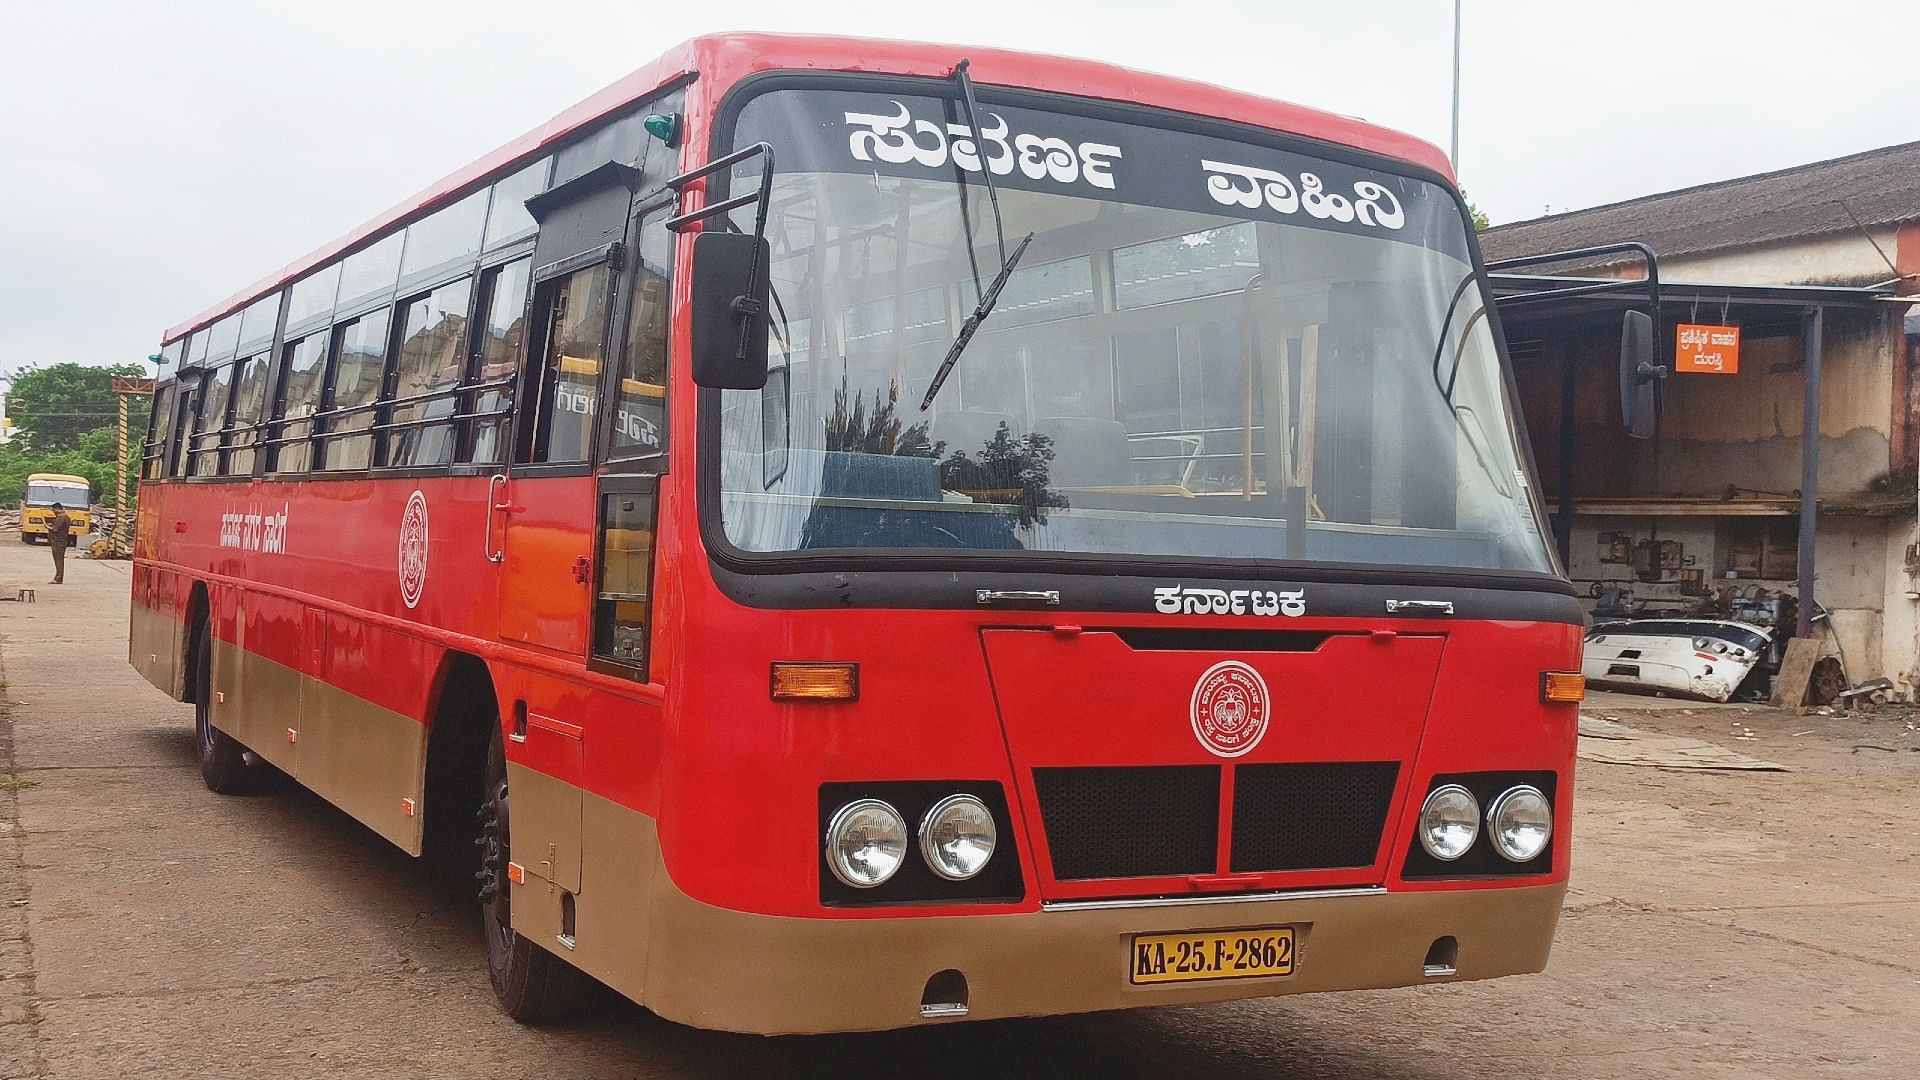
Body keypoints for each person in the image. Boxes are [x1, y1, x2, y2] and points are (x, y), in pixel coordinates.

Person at [47, 502, 73, 585]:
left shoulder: (61, 518)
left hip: (57, 541)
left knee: (58, 560)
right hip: (62, 541)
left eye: (54, 510)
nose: (53, 512)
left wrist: (46, 526)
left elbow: (55, 529)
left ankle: (58, 578)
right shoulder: (67, 517)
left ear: (58, 509)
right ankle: (58, 577)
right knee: (60, 560)